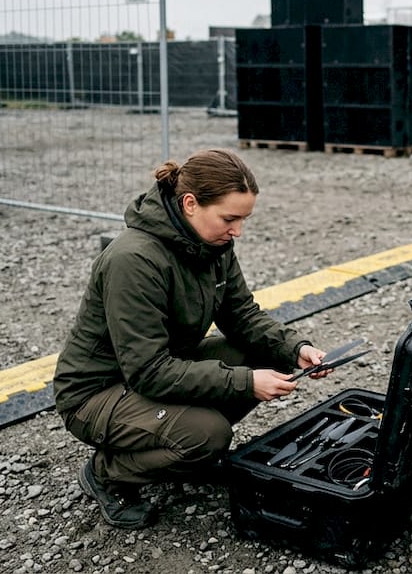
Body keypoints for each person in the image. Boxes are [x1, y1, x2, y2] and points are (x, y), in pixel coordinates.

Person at [52, 148, 331, 530]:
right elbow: (148, 371)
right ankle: (106, 472)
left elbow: (241, 315)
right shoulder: (134, 259)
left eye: (243, 219)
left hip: (158, 369)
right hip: (96, 393)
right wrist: (245, 382)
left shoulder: (213, 245)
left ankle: (180, 445)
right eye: (230, 218)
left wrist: (295, 347)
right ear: (190, 203)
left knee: (265, 354)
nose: (238, 231)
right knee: (208, 435)